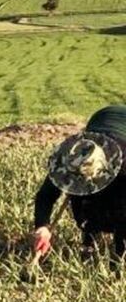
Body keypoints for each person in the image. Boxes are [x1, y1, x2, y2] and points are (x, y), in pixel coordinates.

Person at [32, 104, 126, 264]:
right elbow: (45, 196)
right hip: (101, 117)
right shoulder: (69, 160)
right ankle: (90, 235)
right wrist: (43, 227)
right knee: (83, 201)